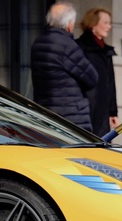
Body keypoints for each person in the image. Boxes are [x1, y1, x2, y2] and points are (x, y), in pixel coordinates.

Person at [30, 2, 98, 132]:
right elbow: (92, 78)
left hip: (45, 111)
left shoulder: (38, 43)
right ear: (69, 24)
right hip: (71, 116)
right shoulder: (67, 45)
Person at [75, 8, 119, 137]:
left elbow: (111, 83)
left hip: (103, 110)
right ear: (93, 24)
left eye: (109, 23)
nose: (109, 27)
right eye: (105, 23)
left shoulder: (106, 50)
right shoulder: (79, 47)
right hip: (85, 108)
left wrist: (113, 112)